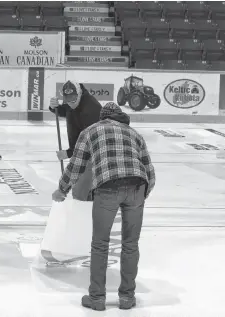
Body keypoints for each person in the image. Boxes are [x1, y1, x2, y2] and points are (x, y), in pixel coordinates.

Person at [52, 102, 156, 311]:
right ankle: (127, 297)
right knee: (130, 245)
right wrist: (141, 194)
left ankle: (97, 298)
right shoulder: (134, 133)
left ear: (102, 118)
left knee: (100, 244)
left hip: (108, 188)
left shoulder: (90, 131)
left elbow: (76, 167)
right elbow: (150, 172)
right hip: (137, 186)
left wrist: (61, 190)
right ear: (121, 117)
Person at [49, 80, 102, 201]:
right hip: (82, 152)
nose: (71, 103)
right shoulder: (73, 102)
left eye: (73, 100)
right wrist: (54, 107)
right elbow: (66, 110)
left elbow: (88, 147)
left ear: (79, 93)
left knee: (80, 193)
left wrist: (68, 153)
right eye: (67, 100)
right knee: (80, 191)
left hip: (95, 155)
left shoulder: (91, 111)